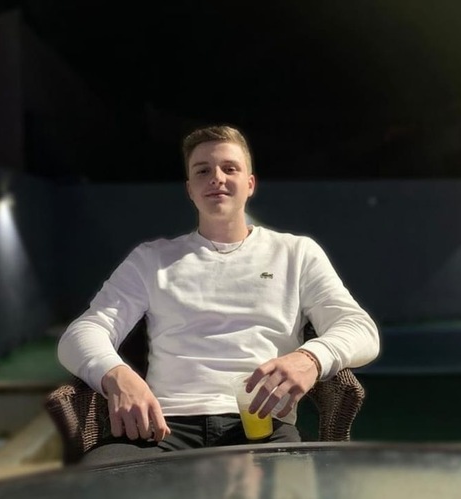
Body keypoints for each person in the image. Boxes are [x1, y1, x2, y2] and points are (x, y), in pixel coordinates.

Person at [57, 124, 379, 464]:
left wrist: (311, 358)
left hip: (261, 426)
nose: (217, 178)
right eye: (203, 171)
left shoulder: (296, 253)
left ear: (250, 184)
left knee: (291, 485)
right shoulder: (151, 260)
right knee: (93, 482)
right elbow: (82, 332)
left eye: (230, 168)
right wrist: (116, 374)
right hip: (163, 428)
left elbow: (360, 328)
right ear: (190, 189)